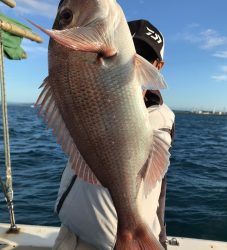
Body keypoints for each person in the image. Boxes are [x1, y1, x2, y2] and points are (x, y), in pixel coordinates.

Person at [53, 19, 175, 250]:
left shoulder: (165, 117)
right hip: (77, 239)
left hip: (137, 241)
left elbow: (160, 187)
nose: (133, 59)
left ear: (157, 66)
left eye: (144, 56)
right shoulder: (86, 98)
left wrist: (160, 239)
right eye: (128, 50)